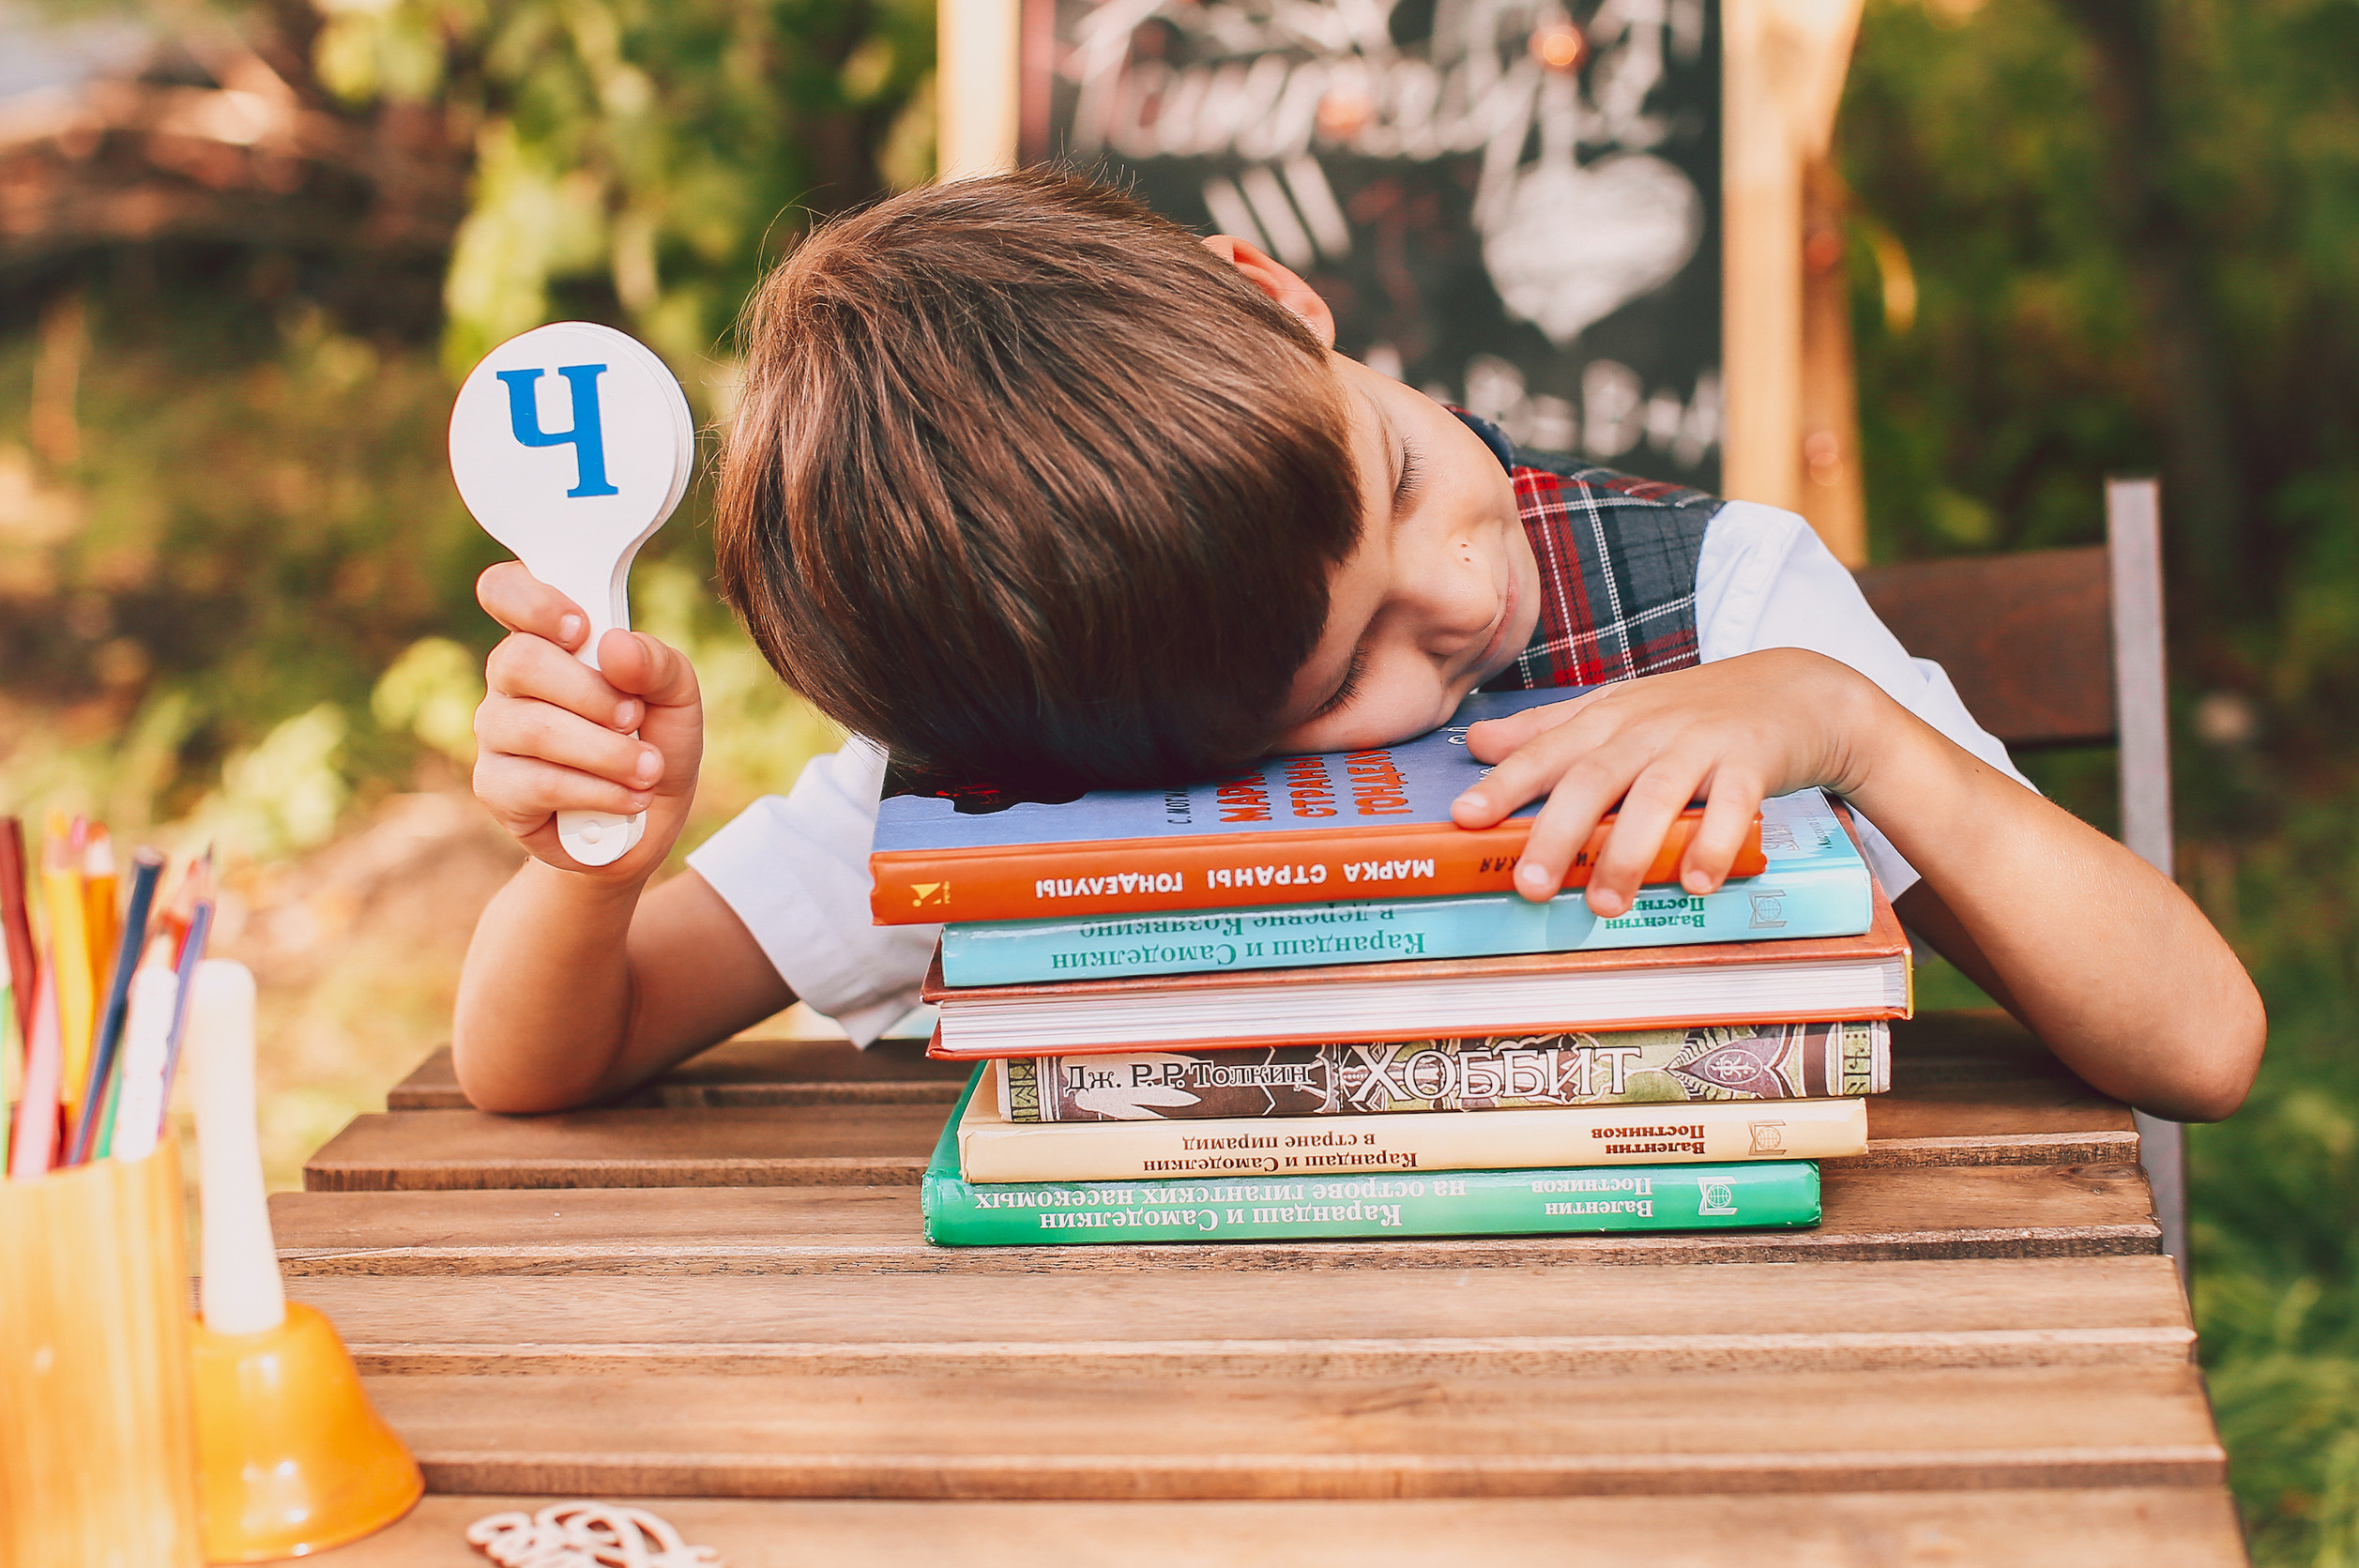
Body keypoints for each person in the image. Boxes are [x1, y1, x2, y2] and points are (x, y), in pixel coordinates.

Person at [451, 168, 2263, 1121]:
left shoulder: (1719, 606)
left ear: (1282, 301)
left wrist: (1851, 729)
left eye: (1399, 476)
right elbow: (549, 1056)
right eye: (1338, 685)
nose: (1465, 599)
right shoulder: (1018, 754)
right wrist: (593, 866)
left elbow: (2199, 1044)